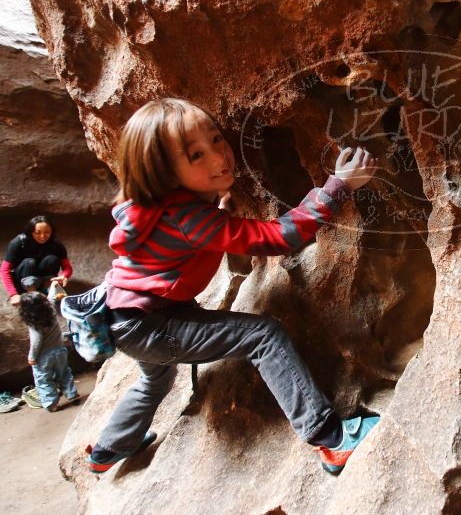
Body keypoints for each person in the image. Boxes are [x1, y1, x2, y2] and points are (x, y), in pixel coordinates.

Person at [86, 98, 380, 476]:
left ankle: (108, 451)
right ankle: (331, 439)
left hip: (126, 315)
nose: (219, 157)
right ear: (163, 173)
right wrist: (338, 187)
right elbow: (277, 236)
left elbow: (182, 242)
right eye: (196, 155)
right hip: (151, 323)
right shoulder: (187, 216)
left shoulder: (154, 206)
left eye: (216, 139)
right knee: (263, 335)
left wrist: (217, 212)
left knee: (155, 379)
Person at [17, 291, 80, 412]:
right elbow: (51, 298)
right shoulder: (51, 311)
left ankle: (51, 403)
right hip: (60, 350)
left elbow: (36, 341)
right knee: (64, 373)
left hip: (43, 356)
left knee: (44, 380)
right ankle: (72, 395)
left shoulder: (33, 322)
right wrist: (53, 286)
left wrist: (32, 357)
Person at [2, 215, 72, 306]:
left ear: (52, 232)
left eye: (47, 232)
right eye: (37, 232)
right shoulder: (18, 243)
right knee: (29, 262)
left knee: (52, 259)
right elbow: (4, 269)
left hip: (44, 278)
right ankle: (32, 295)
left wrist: (64, 276)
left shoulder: (56, 244)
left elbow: (67, 267)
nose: (42, 236)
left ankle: (47, 290)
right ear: (31, 232)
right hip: (24, 278)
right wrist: (13, 294)